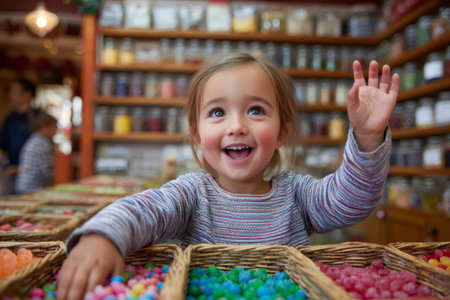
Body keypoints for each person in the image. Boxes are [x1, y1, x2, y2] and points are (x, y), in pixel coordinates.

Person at [57, 53, 399, 300]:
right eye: (218, 112)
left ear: (281, 134)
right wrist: (103, 237)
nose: (237, 126)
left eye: (256, 110)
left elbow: (351, 203)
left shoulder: (298, 194)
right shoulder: (192, 193)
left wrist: (368, 137)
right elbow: (143, 210)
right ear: (196, 135)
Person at [0, 78, 37, 194]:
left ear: (27, 95)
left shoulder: (38, 119)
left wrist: (23, 169)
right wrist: (6, 165)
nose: (10, 95)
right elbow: (2, 146)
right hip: (10, 175)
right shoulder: (10, 118)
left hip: (32, 178)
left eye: (14, 91)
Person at [16, 112, 57, 194]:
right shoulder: (43, 143)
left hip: (23, 185)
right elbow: (47, 171)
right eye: (54, 127)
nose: (56, 130)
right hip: (34, 188)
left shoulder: (32, 140)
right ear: (44, 127)